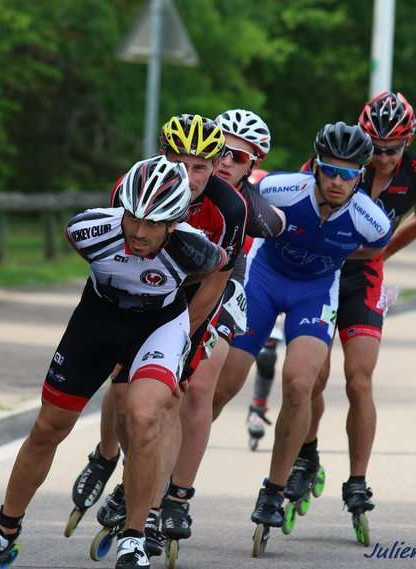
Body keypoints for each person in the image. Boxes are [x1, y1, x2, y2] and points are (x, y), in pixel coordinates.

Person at [0, 155, 228, 569]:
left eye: (153, 224)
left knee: (144, 416)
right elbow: (90, 244)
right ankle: (3, 532)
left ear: (175, 223)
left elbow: (220, 271)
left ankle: (134, 537)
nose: (137, 231)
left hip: (158, 325)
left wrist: (189, 329)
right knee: (48, 427)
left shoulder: (196, 250)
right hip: (97, 318)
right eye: (133, 218)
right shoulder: (89, 229)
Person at [69, 114, 248, 558]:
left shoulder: (230, 208)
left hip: (197, 295)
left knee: (172, 398)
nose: (188, 178)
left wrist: (180, 337)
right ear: (161, 157)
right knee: (125, 390)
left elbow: (214, 282)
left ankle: (151, 507)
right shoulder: (134, 185)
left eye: (201, 168)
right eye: (179, 163)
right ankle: (110, 457)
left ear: (216, 166)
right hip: (141, 291)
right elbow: (113, 255)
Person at [210, 122, 392, 534]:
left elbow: (373, 249)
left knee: (298, 383)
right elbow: (236, 189)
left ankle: (274, 490)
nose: (337, 181)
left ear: (360, 176)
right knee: (223, 384)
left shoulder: (372, 221)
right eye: (330, 170)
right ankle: (173, 480)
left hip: (315, 292)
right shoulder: (279, 188)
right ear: (316, 168)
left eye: (348, 174)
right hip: (263, 281)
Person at [290, 91, 416, 517]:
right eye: (375, 146)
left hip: (364, 279)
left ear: (407, 143)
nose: (382, 156)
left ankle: (357, 480)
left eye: (392, 149)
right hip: (322, 273)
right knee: (313, 378)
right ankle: (306, 453)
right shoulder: (339, 163)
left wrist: (383, 252)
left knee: (359, 380)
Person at [160, 109, 286, 542]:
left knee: (198, 389)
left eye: (236, 156)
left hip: (224, 284)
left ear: (251, 164)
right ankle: (109, 461)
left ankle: (177, 497)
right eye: (220, 152)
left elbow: (280, 222)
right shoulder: (177, 180)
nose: (225, 162)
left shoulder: (243, 202)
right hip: (168, 280)